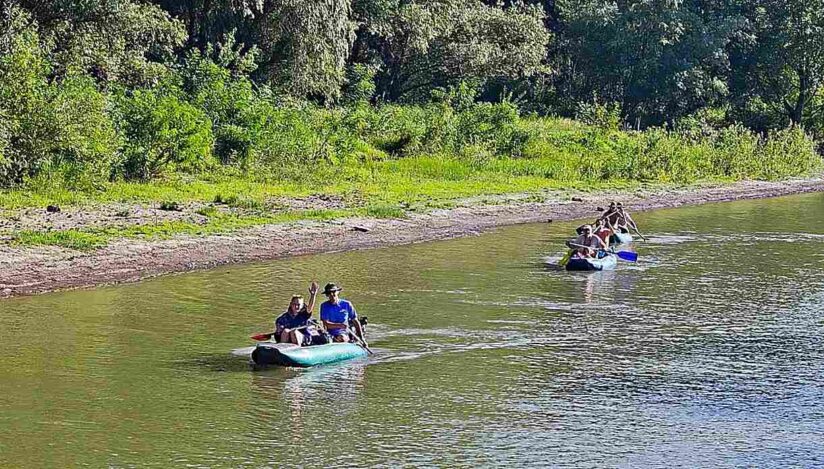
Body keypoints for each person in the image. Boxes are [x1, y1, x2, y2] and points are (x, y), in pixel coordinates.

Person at [274, 281, 320, 346]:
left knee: (294, 331)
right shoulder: (283, 318)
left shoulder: (304, 314)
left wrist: (313, 295)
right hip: (287, 339)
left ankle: (297, 350)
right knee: (285, 331)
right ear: (290, 304)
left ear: (302, 305)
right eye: (294, 304)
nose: (296, 307)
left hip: (303, 338)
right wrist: (279, 329)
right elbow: (278, 327)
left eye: (298, 305)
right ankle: (282, 350)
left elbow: (310, 308)